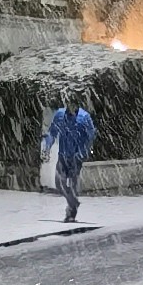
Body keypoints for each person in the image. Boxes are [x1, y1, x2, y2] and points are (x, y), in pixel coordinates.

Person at [43, 89, 95, 225]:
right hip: (63, 155)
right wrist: (47, 148)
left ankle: (71, 212)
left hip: (76, 156)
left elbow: (90, 136)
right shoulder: (60, 115)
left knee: (72, 184)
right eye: (68, 104)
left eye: (73, 104)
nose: (70, 107)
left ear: (77, 105)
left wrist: (84, 152)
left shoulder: (84, 117)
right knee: (59, 183)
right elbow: (52, 133)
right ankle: (74, 203)